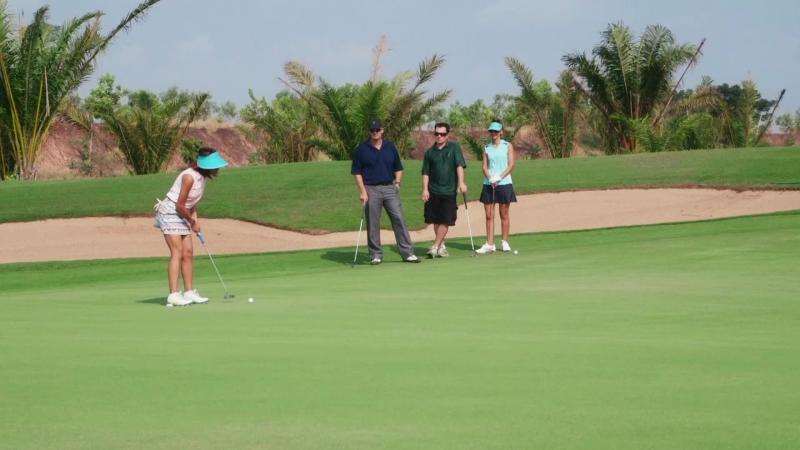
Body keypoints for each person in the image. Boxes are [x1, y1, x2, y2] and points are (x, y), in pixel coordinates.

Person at [154, 147, 229, 305]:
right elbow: (180, 205)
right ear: (206, 166)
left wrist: (195, 220)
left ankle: (188, 292)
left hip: (182, 213)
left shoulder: (202, 178)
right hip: (170, 212)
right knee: (177, 252)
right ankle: (173, 295)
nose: (217, 170)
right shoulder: (188, 177)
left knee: (188, 252)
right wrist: (192, 221)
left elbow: (190, 203)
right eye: (215, 167)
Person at [351, 119, 420, 265]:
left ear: (382, 130)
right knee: (373, 223)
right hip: (371, 189)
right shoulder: (361, 149)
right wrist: (363, 191)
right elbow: (357, 172)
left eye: (377, 130)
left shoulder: (390, 147)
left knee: (399, 219)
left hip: (390, 188)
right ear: (369, 132)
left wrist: (398, 184)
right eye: (372, 130)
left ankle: (407, 253)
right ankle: (376, 254)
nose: (374, 132)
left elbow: (398, 168)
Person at [421, 122, 467, 258]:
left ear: (448, 135)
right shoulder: (429, 152)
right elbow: (425, 173)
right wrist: (425, 189)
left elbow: (459, 166)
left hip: (449, 190)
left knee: (445, 220)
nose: (439, 136)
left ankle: (435, 245)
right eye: (437, 134)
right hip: (433, 190)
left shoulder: (454, 148)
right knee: (436, 220)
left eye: (442, 134)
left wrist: (461, 183)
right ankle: (442, 247)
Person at [476, 120, 517, 254]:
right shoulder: (487, 147)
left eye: (495, 131)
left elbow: (511, 165)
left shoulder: (507, 146)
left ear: (501, 133)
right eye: (491, 131)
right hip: (488, 184)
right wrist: (490, 177)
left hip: (504, 183)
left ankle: (504, 241)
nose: (493, 133)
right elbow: (484, 166)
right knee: (489, 215)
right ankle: (490, 244)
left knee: (503, 213)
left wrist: (499, 177)